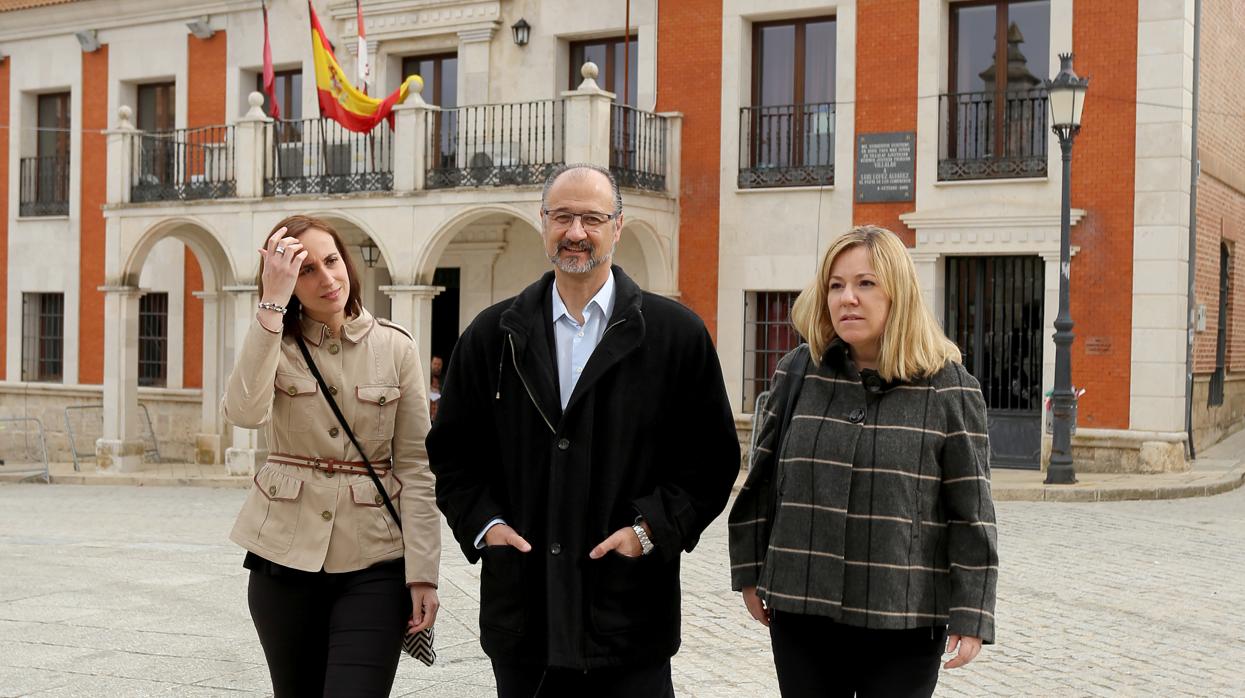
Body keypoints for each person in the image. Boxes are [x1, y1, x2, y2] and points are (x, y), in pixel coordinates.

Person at [427, 163, 740, 698]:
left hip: (630, 618)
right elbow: (453, 454)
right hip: (524, 620)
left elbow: (711, 461)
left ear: (618, 227)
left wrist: (650, 533)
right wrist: (485, 527)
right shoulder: (491, 336)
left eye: (592, 218)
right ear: (542, 222)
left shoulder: (675, 336)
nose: (576, 233)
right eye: (563, 217)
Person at [728, 225, 998, 697]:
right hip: (802, 607)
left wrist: (972, 613)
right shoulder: (797, 371)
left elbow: (971, 513)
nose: (847, 298)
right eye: (836, 285)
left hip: (904, 616)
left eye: (865, 284)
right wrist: (750, 571)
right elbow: (763, 481)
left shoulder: (949, 387)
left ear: (898, 293)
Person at [222, 215, 441, 697]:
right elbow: (243, 412)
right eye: (305, 272)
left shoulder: (396, 347)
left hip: (375, 560)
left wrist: (424, 574)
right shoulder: (272, 340)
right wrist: (271, 306)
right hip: (282, 558)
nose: (327, 279)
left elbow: (416, 469)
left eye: (331, 261)